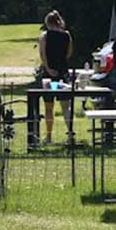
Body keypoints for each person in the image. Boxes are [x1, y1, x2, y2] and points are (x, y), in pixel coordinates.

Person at [37, 11, 74, 143]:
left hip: (49, 75)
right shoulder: (67, 35)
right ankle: (70, 134)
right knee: (66, 106)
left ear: (47, 22)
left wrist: (48, 69)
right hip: (62, 73)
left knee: (49, 106)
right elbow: (69, 53)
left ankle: (48, 136)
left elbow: (42, 55)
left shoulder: (45, 35)